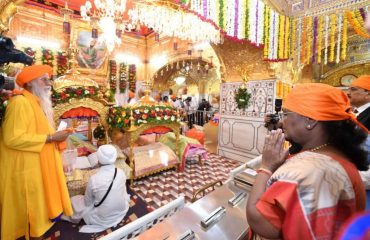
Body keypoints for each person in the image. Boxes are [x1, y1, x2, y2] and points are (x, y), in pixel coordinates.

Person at [247, 83, 368, 239]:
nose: (282, 122)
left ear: (310, 120)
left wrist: (266, 166)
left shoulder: (306, 170)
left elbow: (259, 222)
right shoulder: (337, 153)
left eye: (286, 114)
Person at [0, 65, 73, 239]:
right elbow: (12, 138)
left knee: (39, 210)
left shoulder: (37, 103)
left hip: (37, 164)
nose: (49, 83)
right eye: (44, 79)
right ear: (30, 84)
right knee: (28, 212)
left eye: (49, 79)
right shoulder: (19, 103)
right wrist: (50, 138)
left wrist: (57, 137)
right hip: (25, 169)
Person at [64, 144, 130, 233]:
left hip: (102, 218)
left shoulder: (94, 179)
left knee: (74, 200)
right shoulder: (121, 172)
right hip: (120, 210)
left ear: (98, 160)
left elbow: (87, 203)